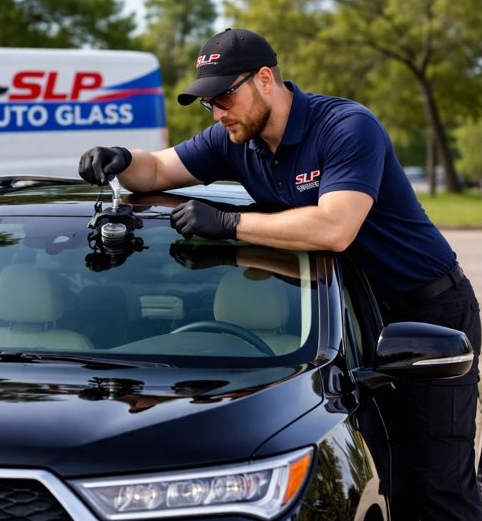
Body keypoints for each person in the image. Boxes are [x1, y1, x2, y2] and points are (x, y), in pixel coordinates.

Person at [78, 27, 482, 520]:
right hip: (351, 317)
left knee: (438, 484)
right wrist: (121, 159)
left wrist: (230, 224)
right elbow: (159, 171)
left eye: (225, 95)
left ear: (265, 79)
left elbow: (335, 228)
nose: (218, 111)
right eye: (209, 103)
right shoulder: (233, 138)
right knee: (389, 471)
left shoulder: (346, 127)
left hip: (427, 311)